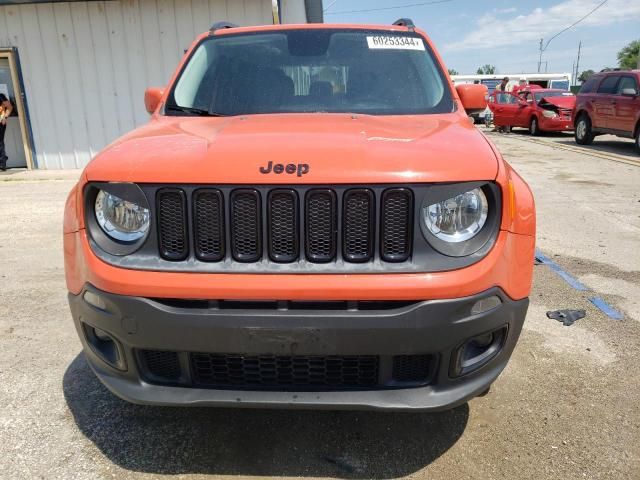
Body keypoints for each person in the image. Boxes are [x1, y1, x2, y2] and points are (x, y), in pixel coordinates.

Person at [0, 93, 12, 171]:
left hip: (0, 123)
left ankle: (2, 164)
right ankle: (3, 158)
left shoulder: (1, 96)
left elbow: (10, 107)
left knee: (0, 142)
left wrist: (5, 117)